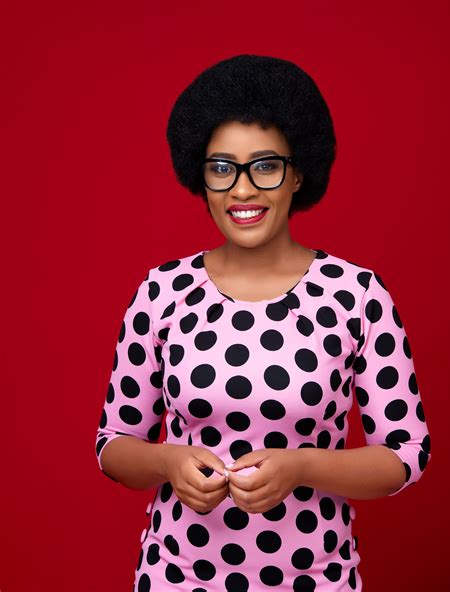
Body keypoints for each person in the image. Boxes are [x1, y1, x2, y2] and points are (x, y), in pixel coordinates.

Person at [95, 54, 432, 592]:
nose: (242, 189)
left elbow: (406, 454)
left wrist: (302, 468)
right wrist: (166, 461)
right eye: (222, 167)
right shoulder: (161, 293)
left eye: (266, 165)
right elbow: (113, 444)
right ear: (201, 177)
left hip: (315, 579)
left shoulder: (356, 295)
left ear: (298, 173)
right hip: (176, 577)